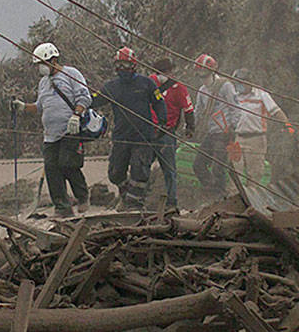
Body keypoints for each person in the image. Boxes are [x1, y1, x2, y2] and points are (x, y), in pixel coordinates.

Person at [25, 41, 91, 217]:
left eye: (42, 64)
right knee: (52, 170)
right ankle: (62, 208)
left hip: (70, 130)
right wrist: (22, 107)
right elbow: (39, 106)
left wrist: (76, 115)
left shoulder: (70, 74)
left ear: (53, 60)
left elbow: (84, 96)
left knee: (68, 164)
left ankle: (82, 196)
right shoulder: (43, 83)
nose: (40, 68)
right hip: (50, 136)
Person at [99, 46, 162, 209]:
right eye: (118, 65)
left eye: (125, 65)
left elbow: (159, 103)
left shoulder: (147, 83)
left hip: (143, 136)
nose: (122, 69)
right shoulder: (111, 86)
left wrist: (161, 124)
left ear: (133, 65)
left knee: (139, 172)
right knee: (114, 173)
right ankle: (127, 195)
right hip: (121, 136)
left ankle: (134, 204)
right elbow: (94, 100)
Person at [231, 69, 293, 189]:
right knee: (235, 172)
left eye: (241, 83)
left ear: (249, 83)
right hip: (238, 138)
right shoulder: (234, 96)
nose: (238, 86)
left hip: (256, 139)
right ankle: (234, 200)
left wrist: (287, 125)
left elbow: (276, 111)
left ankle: (253, 203)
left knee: (254, 174)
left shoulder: (261, 95)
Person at [188, 54, 238, 197]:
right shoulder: (202, 91)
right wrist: (191, 127)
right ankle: (214, 193)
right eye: (199, 74)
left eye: (203, 73)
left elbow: (235, 108)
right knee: (198, 165)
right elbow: (198, 112)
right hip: (211, 133)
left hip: (224, 133)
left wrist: (233, 129)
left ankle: (222, 196)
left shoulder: (225, 86)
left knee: (218, 168)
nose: (202, 77)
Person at [149, 56, 193, 211]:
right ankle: (139, 200)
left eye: (167, 71)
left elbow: (188, 110)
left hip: (167, 133)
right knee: (141, 167)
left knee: (169, 170)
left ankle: (172, 203)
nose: (164, 74)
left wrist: (190, 127)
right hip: (148, 132)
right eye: (161, 72)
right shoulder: (150, 83)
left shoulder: (179, 88)